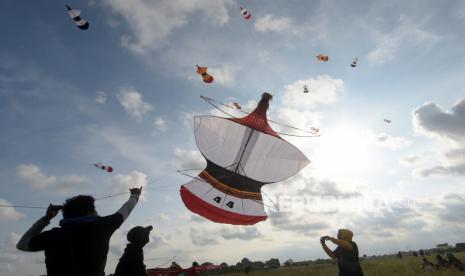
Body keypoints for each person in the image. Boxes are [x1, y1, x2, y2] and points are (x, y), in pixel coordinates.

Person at [16, 187, 142, 276]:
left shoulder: (52, 236)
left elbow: (22, 245)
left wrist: (46, 218)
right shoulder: (101, 227)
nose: (97, 213)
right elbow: (126, 210)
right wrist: (135, 195)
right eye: (95, 210)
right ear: (89, 212)